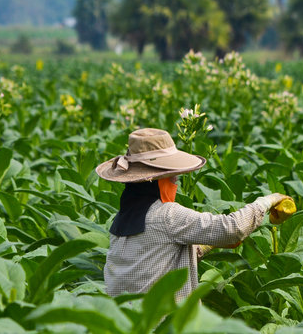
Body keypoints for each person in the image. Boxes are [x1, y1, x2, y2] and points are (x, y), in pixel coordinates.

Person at [96, 128, 289, 299]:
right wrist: (267, 201)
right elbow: (232, 228)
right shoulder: (167, 215)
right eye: (173, 179)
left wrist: (209, 242)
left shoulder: (121, 219)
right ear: (157, 181)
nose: (176, 184)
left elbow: (158, 257)